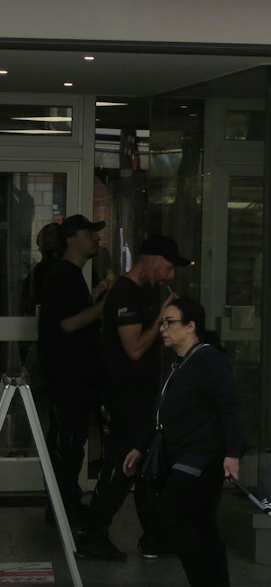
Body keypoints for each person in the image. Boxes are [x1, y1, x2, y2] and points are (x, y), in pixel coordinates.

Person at [122, 297, 244, 587]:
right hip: (186, 451)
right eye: (162, 322)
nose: (162, 329)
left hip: (201, 455)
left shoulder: (207, 361)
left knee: (170, 512)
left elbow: (229, 407)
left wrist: (233, 453)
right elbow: (162, 412)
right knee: (203, 523)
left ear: (191, 327)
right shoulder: (180, 362)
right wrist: (141, 446)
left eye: (169, 322)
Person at [77, 234, 188, 562]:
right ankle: (93, 534)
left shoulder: (143, 293)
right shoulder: (125, 295)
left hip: (142, 394)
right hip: (126, 396)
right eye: (167, 268)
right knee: (125, 463)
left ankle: (154, 535)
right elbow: (135, 348)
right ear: (152, 260)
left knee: (147, 465)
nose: (169, 276)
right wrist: (161, 318)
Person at [34, 215, 109, 529]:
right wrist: (106, 305)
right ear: (72, 239)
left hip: (69, 373)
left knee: (69, 440)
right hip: (69, 375)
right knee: (69, 441)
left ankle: (64, 502)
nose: (95, 238)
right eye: (89, 232)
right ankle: (63, 505)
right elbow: (69, 323)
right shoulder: (64, 275)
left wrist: (93, 299)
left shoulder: (68, 275)